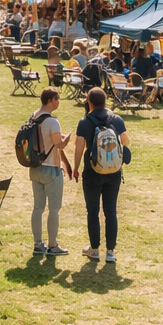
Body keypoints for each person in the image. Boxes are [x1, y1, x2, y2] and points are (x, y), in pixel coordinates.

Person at [71, 87, 129, 263]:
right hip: (114, 171)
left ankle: (94, 249)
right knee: (110, 210)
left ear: (89, 102)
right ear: (106, 101)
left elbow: (79, 149)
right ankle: (110, 251)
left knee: (93, 210)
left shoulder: (85, 122)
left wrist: (75, 168)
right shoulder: (116, 119)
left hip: (93, 171)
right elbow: (125, 142)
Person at [28, 87, 74, 256]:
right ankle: (53, 245)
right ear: (51, 100)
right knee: (54, 208)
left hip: (35, 167)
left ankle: (37, 244)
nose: (58, 102)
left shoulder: (34, 116)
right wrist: (67, 138)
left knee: (38, 207)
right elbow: (59, 144)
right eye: (57, 99)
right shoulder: (52, 122)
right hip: (51, 168)